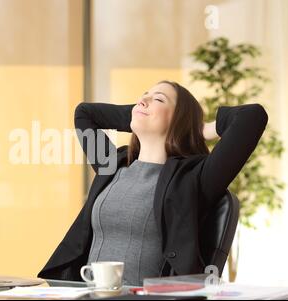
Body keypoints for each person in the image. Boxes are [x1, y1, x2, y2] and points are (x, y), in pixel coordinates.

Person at [37, 80, 268, 286]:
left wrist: (197, 127)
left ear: (179, 119)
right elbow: (85, 113)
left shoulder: (194, 179)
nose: (143, 99)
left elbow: (253, 116)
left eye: (158, 98)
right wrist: (142, 110)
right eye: (143, 95)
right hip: (92, 300)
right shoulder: (111, 164)